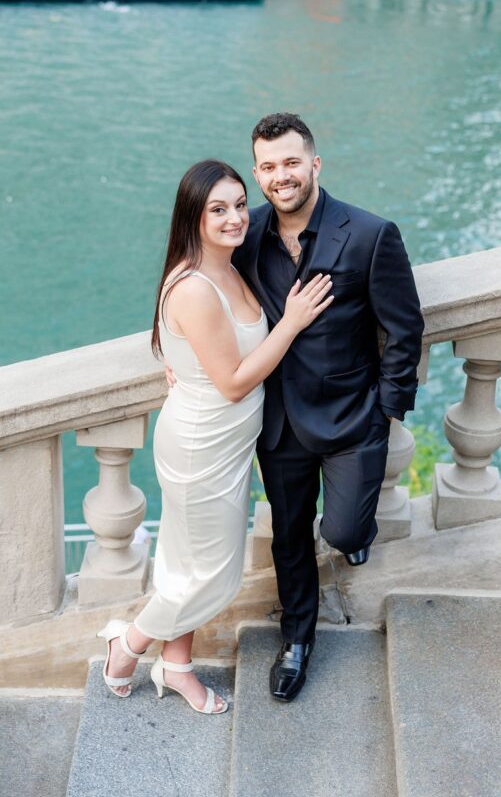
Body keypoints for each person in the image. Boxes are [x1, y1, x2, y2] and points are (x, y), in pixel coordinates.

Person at [97, 159, 332, 714]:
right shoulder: (197, 287)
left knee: (184, 565)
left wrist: (176, 362)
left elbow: (186, 347)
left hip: (221, 444)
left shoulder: (229, 264)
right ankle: (126, 645)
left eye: (237, 204)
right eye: (217, 209)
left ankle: (176, 666)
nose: (234, 218)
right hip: (203, 446)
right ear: (192, 217)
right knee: (212, 576)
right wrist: (292, 321)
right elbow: (230, 383)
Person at [232, 113, 423, 702]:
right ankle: (296, 640)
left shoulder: (369, 234)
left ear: (314, 164)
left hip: (350, 418)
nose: (279, 176)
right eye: (267, 166)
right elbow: (201, 291)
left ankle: (353, 530)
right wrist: (174, 351)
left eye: (291, 163)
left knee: (341, 531)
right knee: (288, 535)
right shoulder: (246, 235)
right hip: (280, 420)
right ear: (258, 173)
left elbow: (404, 327)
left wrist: (387, 410)